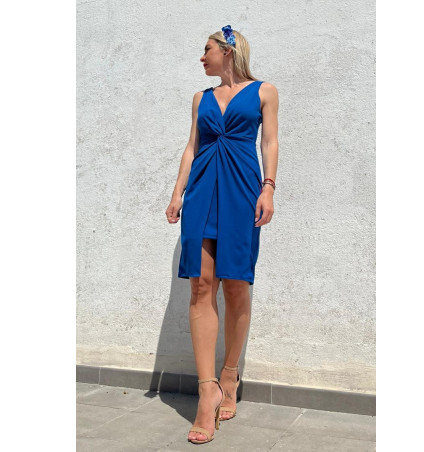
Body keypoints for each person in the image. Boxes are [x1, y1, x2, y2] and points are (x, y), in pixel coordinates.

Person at [165, 25, 279, 444]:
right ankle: (207, 390)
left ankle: (230, 374)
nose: (202, 57)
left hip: (242, 191)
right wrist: (177, 193)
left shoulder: (265, 91)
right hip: (201, 191)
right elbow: (192, 146)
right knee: (201, 285)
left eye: (207, 49)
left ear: (228, 51)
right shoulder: (201, 98)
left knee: (235, 285)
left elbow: (270, 142)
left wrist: (269, 188)